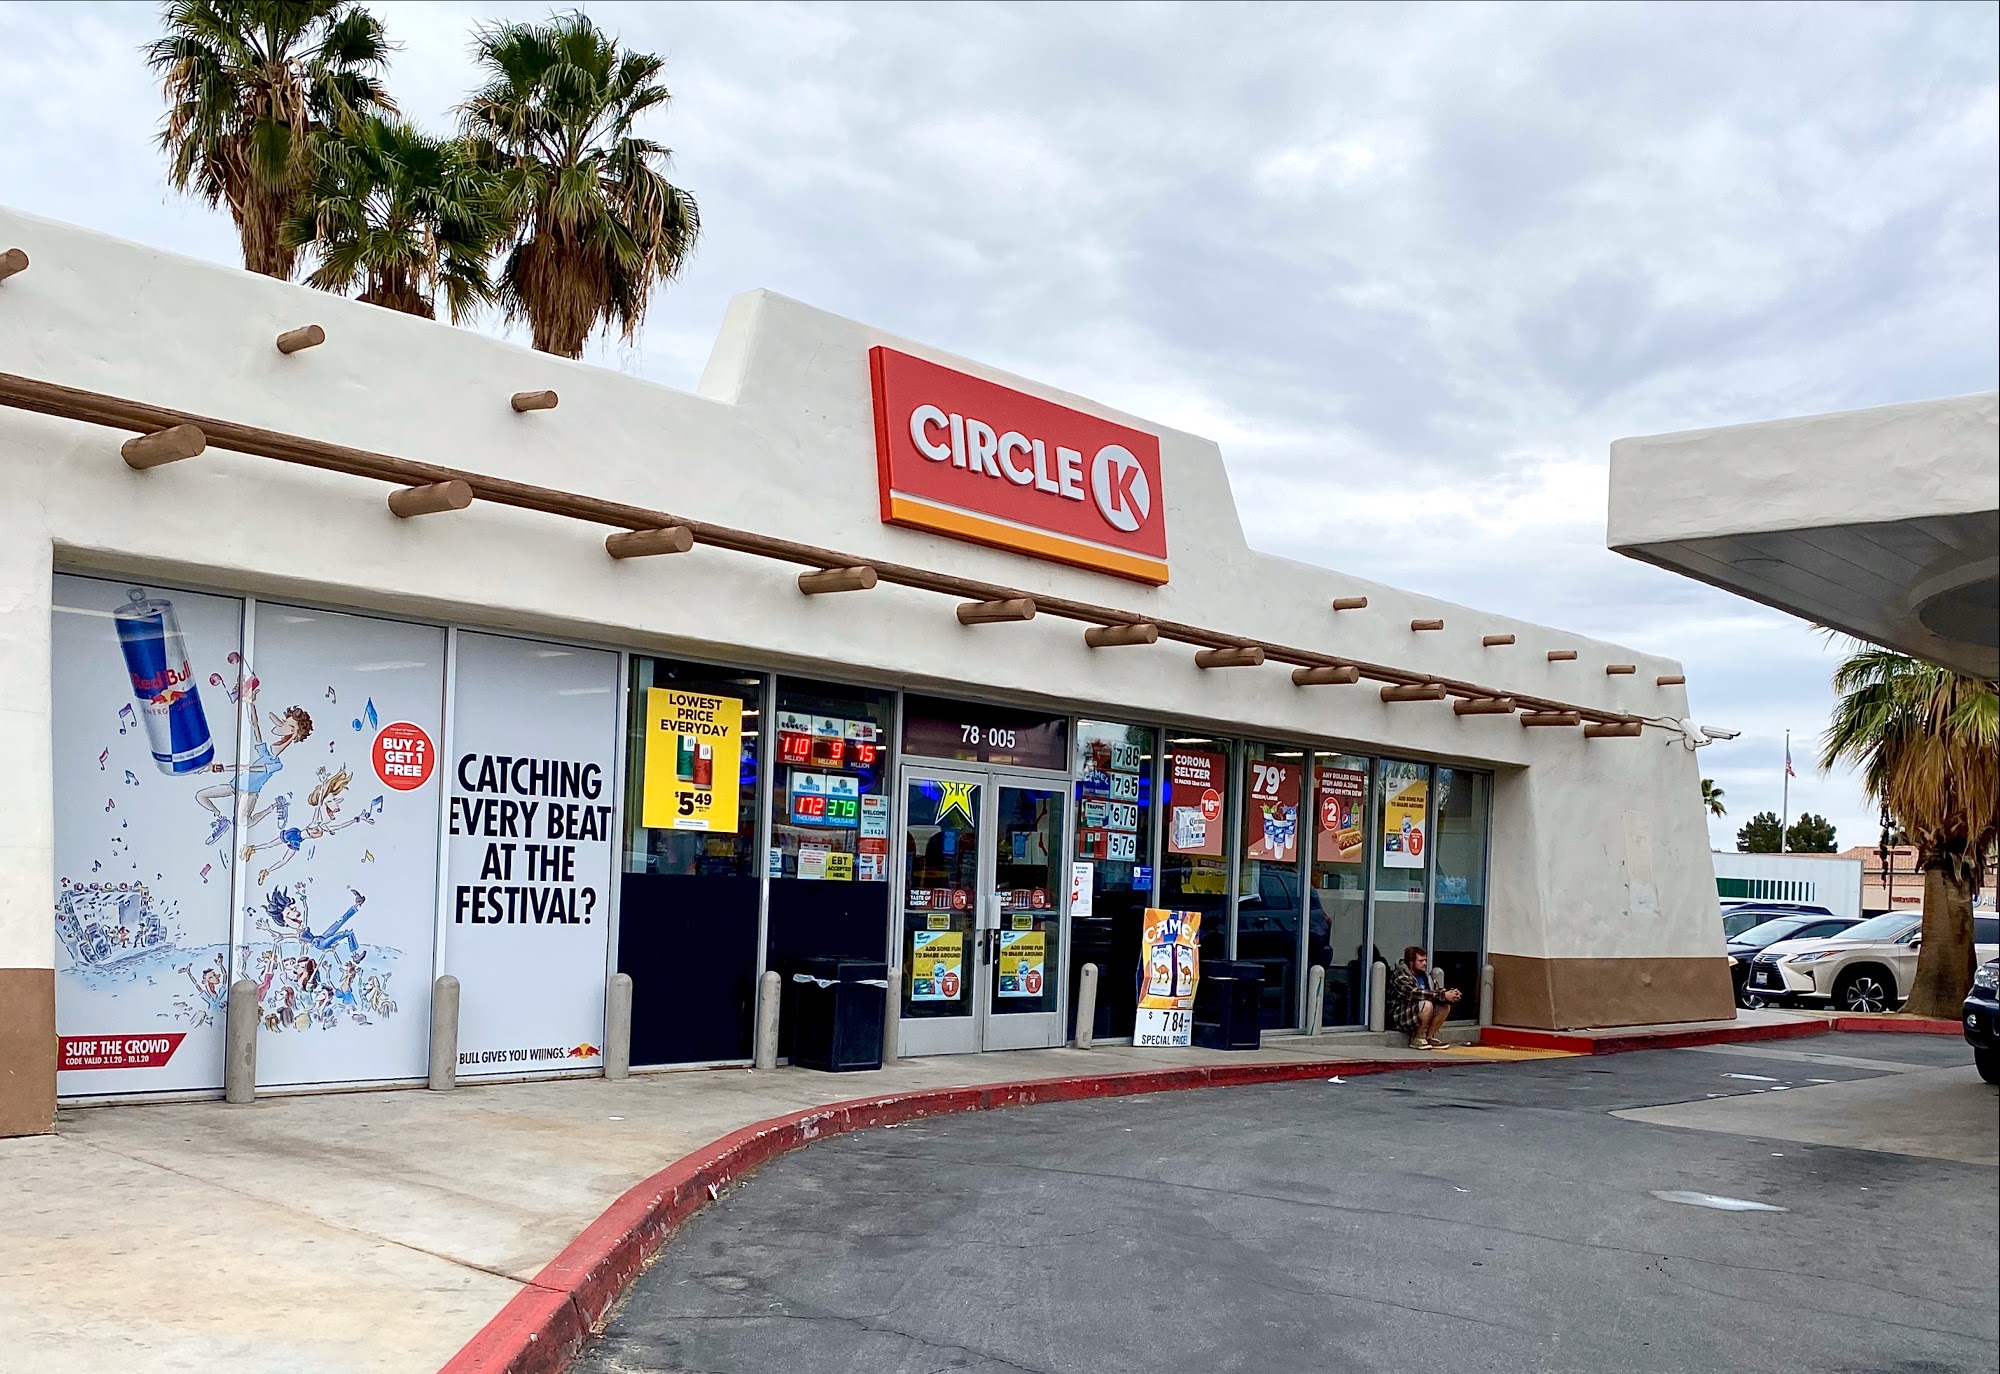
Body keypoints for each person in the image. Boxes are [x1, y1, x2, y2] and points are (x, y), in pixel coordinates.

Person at [1387, 945, 1461, 1049]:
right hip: (1400, 1016)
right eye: (1421, 961)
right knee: (1427, 1004)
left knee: (1445, 1006)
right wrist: (1443, 995)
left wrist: (1450, 994)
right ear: (1411, 962)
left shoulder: (1425, 976)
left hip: (1418, 1011)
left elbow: (1436, 990)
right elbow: (1413, 993)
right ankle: (1418, 1038)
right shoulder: (1400, 975)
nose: (1425, 963)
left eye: (1425, 960)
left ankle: (1429, 1037)